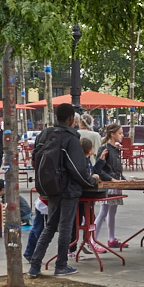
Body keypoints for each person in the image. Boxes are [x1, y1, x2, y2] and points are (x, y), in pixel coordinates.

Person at [29, 103, 99, 277]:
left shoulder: (44, 135)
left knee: (50, 226)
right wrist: (91, 181)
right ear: (71, 119)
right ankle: (61, 265)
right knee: (66, 227)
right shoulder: (71, 139)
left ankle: (35, 265)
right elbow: (78, 169)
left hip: (50, 187)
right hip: (68, 190)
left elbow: (34, 159)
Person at [92, 123, 127, 251]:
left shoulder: (115, 149)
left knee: (112, 212)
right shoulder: (105, 148)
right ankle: (92, 240)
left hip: (115, 182)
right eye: (120, 133)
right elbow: (98, 169)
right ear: (112, 134)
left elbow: (117, 169)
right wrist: (112, 179)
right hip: (108, 184)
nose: (122, 136)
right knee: (104, 212)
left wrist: (124, 180)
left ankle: (111, 239)